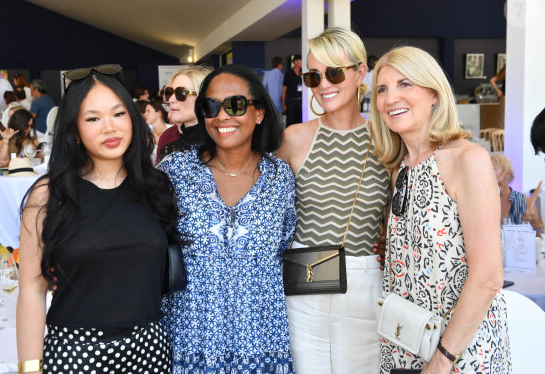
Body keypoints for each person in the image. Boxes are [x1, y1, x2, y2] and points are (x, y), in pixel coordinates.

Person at [17, 67, 180, 373]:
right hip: (75, 353)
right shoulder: (48, 194)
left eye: (118, 114)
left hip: (150, 351)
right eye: (93, 118)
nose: (110, 128)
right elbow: (31, 291)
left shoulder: (156, 187)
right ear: (74, 130)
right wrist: (29, 368)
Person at [371, 46, 510, 373]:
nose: (391, 98)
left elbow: (488, 277)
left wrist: (442, 360)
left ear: (434, 93)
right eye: (382, 89)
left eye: (405, 84)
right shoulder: (400, 170)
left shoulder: (467, 159)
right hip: (407, 341)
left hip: (460, 351)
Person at [160, 64, 296, 373]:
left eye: (235, 105)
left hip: (261, 343)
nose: (222, 116)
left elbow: (284, 242)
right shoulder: (174, 172)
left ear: (258, 112)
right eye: (210, 106)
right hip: (189, 341)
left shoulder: (280, 178)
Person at [277, 27, 390, 374]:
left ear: (360, 72)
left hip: (364, 281)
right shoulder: (294, 139)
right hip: (304, 278)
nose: (324, 84)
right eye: (314, 76)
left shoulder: (386, 141)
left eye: (334, 73)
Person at [157, 65, 212, 160]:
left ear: (202, 97)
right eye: (169, 93)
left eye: (181, 93)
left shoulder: (221, 140)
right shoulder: (167, 139)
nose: (171, 99)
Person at [491, 153, 540, 230]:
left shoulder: (525, 201)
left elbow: (537, 235)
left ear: (507, 173)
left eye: (493, 168)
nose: (488, 171)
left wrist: (533, 221)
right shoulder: (485, 201)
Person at [140, 99, 169, 164]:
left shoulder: (172, 130)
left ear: (158, 113)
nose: (145, 114)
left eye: (148, 111)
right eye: (145, 111)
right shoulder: (147, 134)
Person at [282, 54, 303, 126]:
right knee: (290, 121)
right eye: (301, 60)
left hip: (302, 101)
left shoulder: (303, 73)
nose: (302, 62)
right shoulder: (288, 74)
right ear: (296, 62)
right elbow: (284, 89)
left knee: (301, 121)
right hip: (291, 101)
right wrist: (283, 103)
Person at [489, 65, 506, 129]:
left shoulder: (505, 72)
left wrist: (498, 91)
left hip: (505, 96)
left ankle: (501, 135)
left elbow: (492, 80)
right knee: (503, 117)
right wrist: (498, 91)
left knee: (502, 117)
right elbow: (492, 80)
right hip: (508, 97)